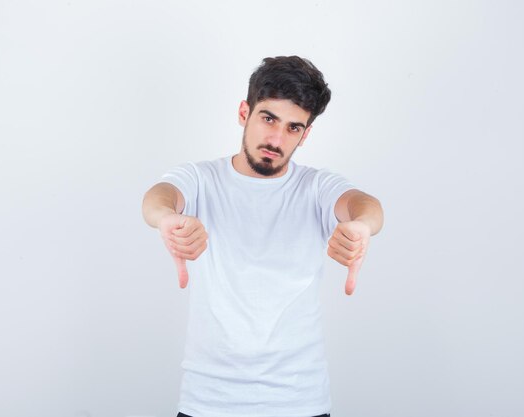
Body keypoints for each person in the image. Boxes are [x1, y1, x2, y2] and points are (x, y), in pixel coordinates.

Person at [142, 56, 384, 417]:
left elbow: (364, 205)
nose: (276, 138)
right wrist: (166, 219)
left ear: (305, 134)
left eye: (293, 128)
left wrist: (361, 226)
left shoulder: (315, 186)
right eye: (268, 118)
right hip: (208, 401)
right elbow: (159, 196)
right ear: (244, 112)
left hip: (300, 402)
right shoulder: (201, 178)